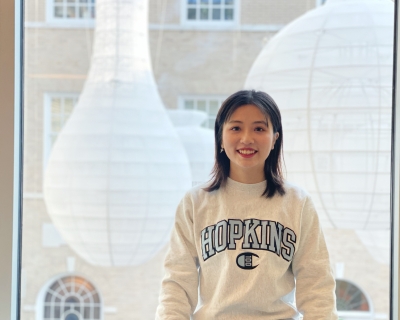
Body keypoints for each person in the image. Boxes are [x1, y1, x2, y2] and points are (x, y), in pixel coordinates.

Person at [156, 90, 338, 320]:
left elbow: (317, 283)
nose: (247, 138)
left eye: (259, 129)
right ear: (220, 137)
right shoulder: (195, 203)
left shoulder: (297, 203)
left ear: (275, 138)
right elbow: (177, 283)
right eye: (236, 128)